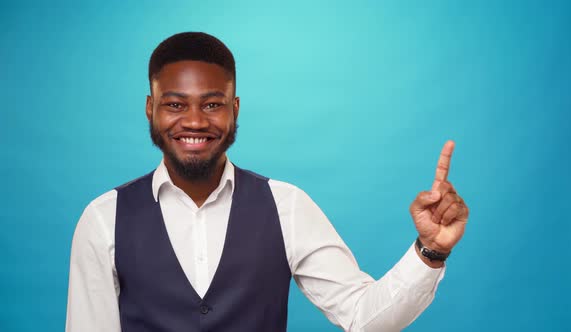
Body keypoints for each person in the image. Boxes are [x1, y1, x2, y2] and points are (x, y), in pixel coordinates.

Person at [65, 32, 469, 332]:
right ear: (150, 109)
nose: (194, 121)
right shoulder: (104, 219)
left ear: (234, 109)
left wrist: (429, 251)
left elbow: (364, 316)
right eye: (174, 104)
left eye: (212, 104)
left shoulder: (285, 206)